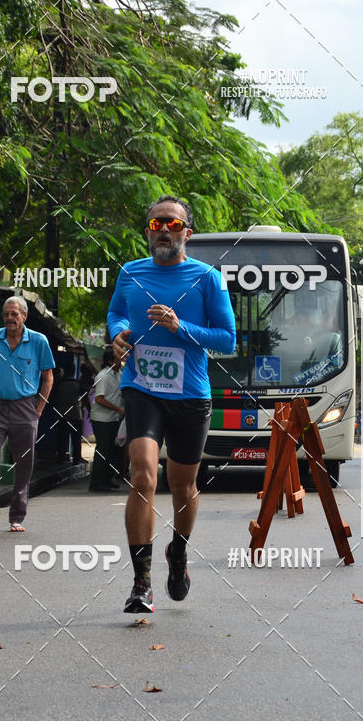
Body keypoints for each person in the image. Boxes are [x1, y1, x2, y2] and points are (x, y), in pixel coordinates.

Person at [108, 195, 236, 613]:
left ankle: (177, 553)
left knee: (183, 485)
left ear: (187, 233)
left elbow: (227, 340)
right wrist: (120, 333)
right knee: (142, 475)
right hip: (142, 387)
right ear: (147, 229)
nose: (164, 230)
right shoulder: (129, 273)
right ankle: (141, 582)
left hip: (190, 395)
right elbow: (116, 315)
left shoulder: (207, 278)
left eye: (174, 224)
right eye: (156, 223)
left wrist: (181, 327)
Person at [0, 295, 54, 532]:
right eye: (6, 314)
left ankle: (16, 516)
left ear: (24, 316)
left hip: (25, 408)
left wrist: (37, 411)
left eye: (14, 314)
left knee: (24, 465)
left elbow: (48, 378)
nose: (10, 318)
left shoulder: (39, 341)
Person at [89, 350, 124, 492]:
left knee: (113, 451)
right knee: (103, 450)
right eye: (118, 358)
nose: (121, 361)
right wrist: (118, 409)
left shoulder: (118, 374)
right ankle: (96, 482)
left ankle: (107, 479)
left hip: (114, 419)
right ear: (110, 361)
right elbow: (99, 399)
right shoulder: (103, 376)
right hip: (102, 420)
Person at [53, 364, 84, 463]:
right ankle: (76, 459)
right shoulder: (78, 384)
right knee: (76, 439)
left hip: (61, 415)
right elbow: (85, 398)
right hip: (76, 415)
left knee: (62, 438)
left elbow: (53, 399)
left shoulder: (59, 384)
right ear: (74, 372)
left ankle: (60, 458)